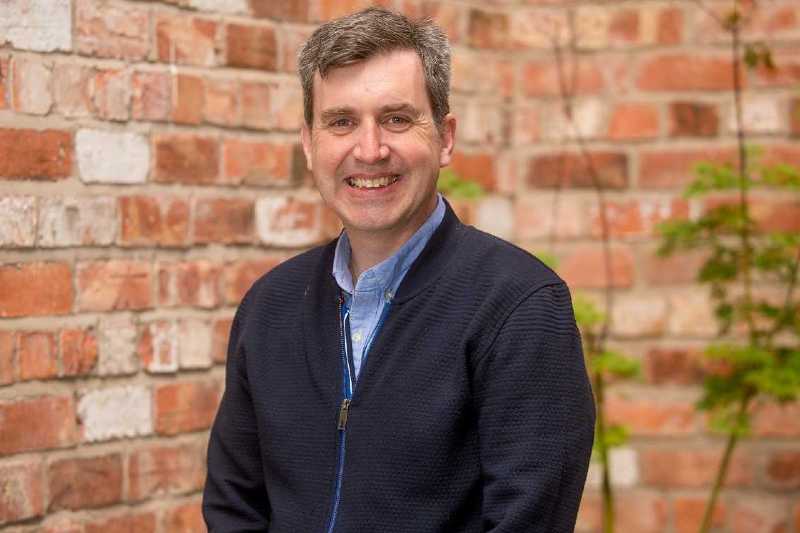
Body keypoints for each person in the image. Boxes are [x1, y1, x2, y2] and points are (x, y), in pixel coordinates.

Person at [203, 7, 595, 532]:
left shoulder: (521, 307)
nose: (370, 150)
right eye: (341, 122)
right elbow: (234, 509)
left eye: (397, 118)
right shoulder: (270, 307)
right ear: (309, 143)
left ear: (445, 138)